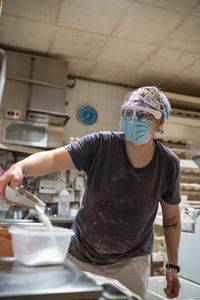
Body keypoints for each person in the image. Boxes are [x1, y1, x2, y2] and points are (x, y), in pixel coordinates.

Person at [0, 86, 181, 299]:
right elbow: (53, 159)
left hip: (131, 261)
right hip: (81, 254)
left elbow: (171, 218)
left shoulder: (168, 164)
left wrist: (172, 266)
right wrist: (20, 168)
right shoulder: (100, 144)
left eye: (142, 115)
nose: (133, 120)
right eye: (128, 113)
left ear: (159, 122)